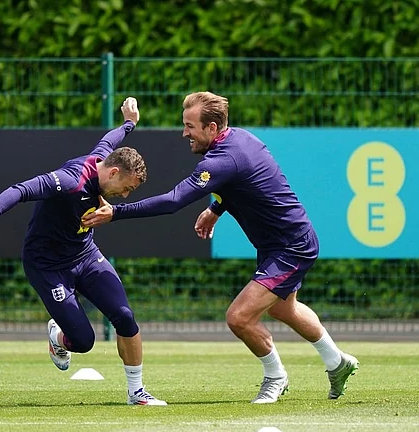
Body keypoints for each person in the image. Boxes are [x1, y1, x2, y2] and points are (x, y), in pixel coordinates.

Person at [82, 91, 359, 404]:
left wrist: (116, 212)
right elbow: (245, 183)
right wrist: (216, 209)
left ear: (212, 128)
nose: (184, 132)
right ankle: (337, 362)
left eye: (190, 126)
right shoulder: (240, 140)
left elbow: (174, 201)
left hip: (291, 246)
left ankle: (275, 376)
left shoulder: (223, 158)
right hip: (278, 244)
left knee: (239, 317)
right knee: (284, 308)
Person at [0, 97, 167, 406]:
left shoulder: (103, 158)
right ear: (114, 172)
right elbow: (20, 190)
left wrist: (130, 123)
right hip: (47, 265)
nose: (124, 196)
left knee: (125, 316)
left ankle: (136, 393)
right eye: (127, 188)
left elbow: (110, 139)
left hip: (85, 255)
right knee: (83, 341)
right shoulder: (69, 181)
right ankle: (57, 336)